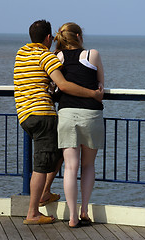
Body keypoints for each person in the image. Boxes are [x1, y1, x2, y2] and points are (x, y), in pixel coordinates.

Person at [13, 20, 103, 225]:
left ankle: (46, 194)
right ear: (47, 39)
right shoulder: (46, 56)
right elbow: (63, 84)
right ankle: (33, 212)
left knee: (59, 154)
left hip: (24, 114)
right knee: (41, 165)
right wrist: (93, 93)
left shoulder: (21, 53)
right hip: (42, 114)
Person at [54, 22, 104, 227]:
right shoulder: (92, 54)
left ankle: (72, 217)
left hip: (66, 114)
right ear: (79, 36)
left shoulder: (58, 57)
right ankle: (84, 210)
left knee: (70, 168)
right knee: (88, 165)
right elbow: (101, 86)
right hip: (91, 114)